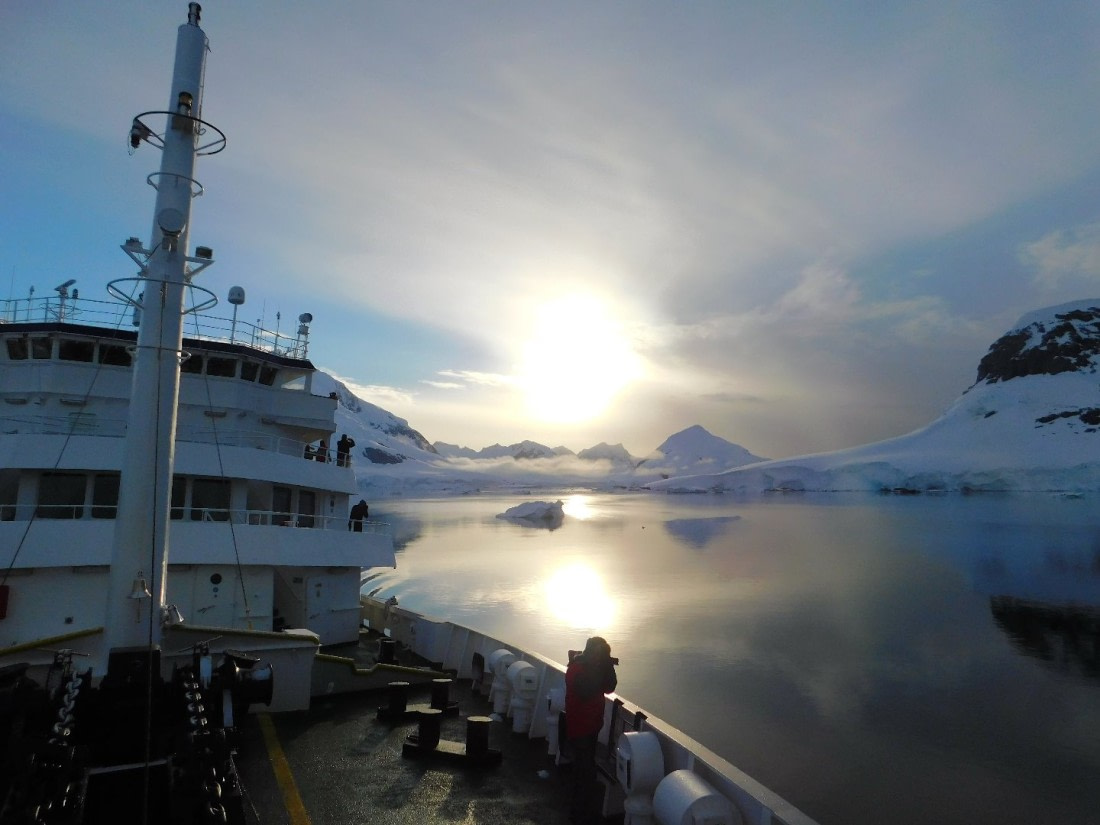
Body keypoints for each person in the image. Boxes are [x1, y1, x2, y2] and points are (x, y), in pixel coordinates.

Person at [565, 636, 617, 825]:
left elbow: (610, 687)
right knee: (584, 773)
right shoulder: (576, 668)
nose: (599, 658)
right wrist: (600, 667)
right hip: (579, 728)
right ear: (589, 652)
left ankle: (581, 812)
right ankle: (579, 815)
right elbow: (586, 691)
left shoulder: (594, 668)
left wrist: (607, 664)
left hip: (592, 726)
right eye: (598, 654)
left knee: (585, 771)